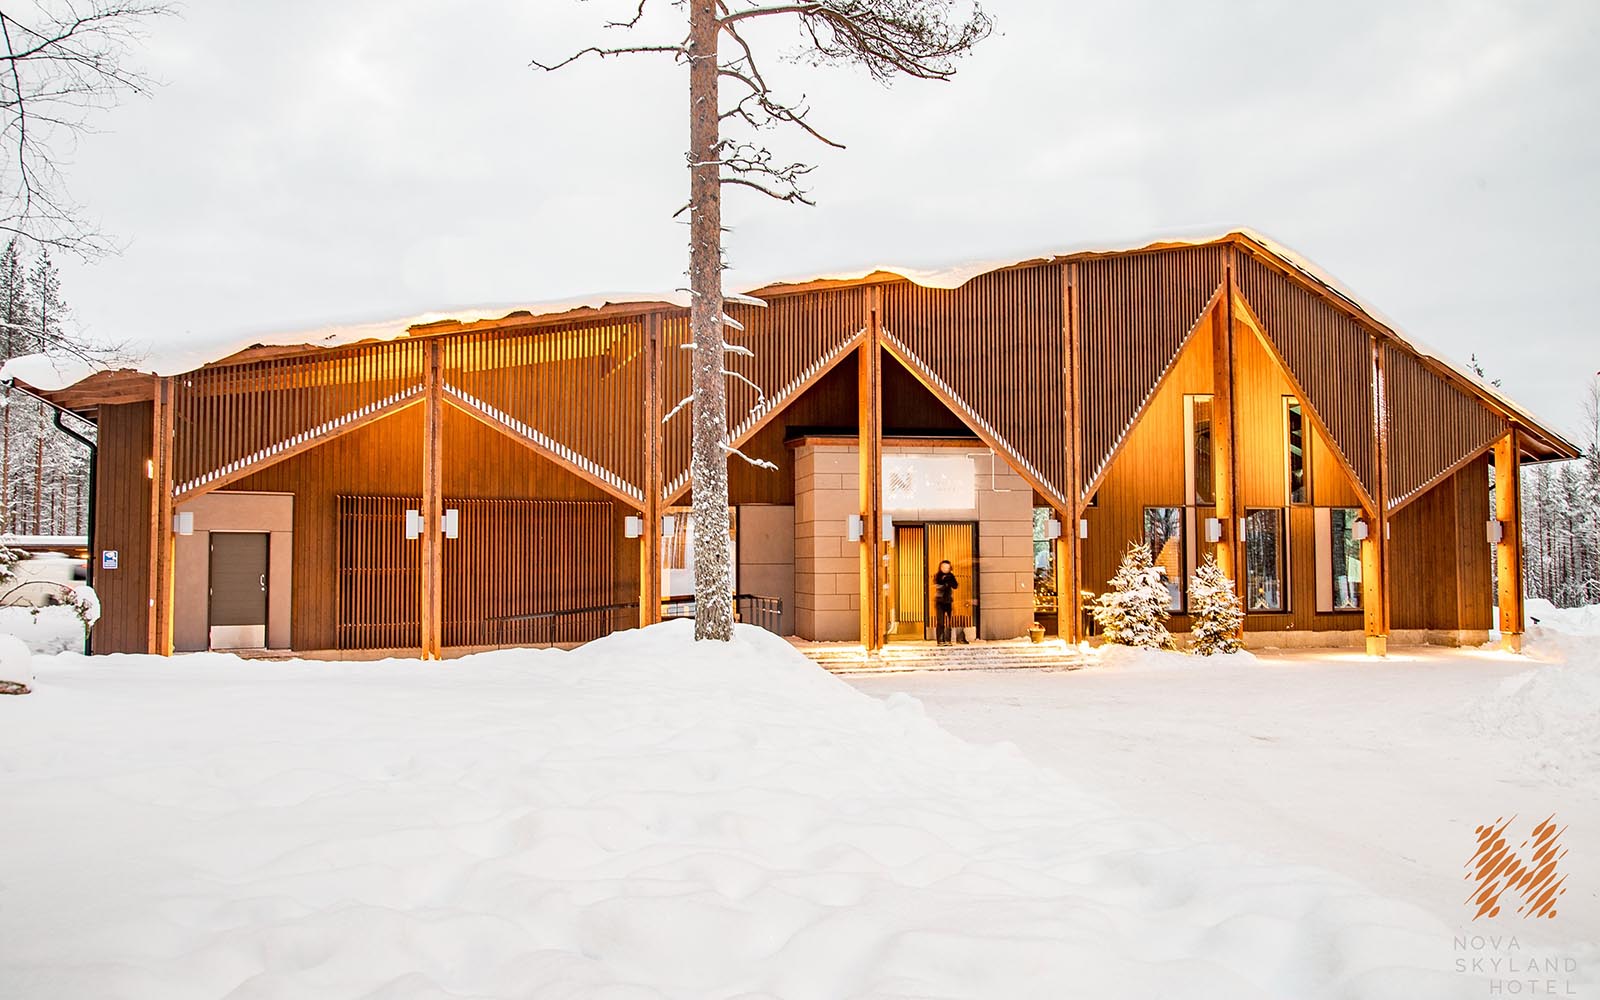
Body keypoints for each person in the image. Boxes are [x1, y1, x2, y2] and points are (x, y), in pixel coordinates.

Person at [933, 560, 959, 646]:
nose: (946, 569)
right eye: (944, 567)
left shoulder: (951, 576)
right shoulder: (938, 575)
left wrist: (950, 580)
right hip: (939, 601)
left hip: (948, 601)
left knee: (949, 621)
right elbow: (938, 585)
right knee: (940, 621)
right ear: (940, 567)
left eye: (948, 567)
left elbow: (955, 585)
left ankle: (948, 639)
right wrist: (945, 583)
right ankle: (940, 640)